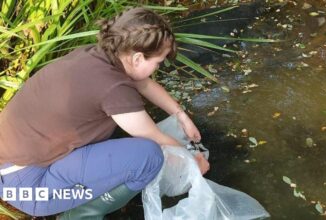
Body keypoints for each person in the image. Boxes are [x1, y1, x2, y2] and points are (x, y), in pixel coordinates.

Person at [0, 7, 210, 219]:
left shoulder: (99, 55)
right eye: (158, 62)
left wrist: (180, 115)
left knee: (124, 142)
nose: (158, 67)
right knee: (149, 156)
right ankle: (80, 215)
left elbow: (143, 84)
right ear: (137, 58)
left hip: (14, 170)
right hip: (31, 188)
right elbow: (154, 138)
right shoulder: (114, 88)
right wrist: (192, 161)